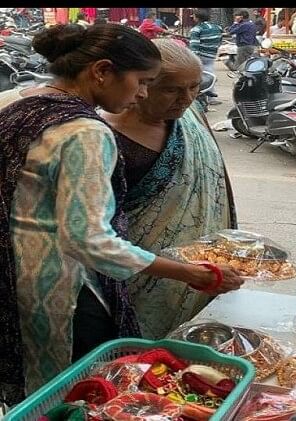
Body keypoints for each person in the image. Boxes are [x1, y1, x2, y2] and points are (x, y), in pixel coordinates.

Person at [0, 23, 242, 405]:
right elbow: (88, 239)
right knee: (79, 397)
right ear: (102, 71)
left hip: (17, 276)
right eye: (142, 81)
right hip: (67, 293)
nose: (142, 93)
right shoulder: (85, 132)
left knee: (36, 395)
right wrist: (189, 273)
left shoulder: (22, 106)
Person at [101, 39, 237, 339]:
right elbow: (97, 233)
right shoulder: (103, 136)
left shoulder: (190, 118)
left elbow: (216, 186)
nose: (187, 98)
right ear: (142, 85)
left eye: (195, 87)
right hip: (134, 273)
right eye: (172, 89)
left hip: (203, 272)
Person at [189, 9, 222, 103]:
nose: (193, 18)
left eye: (194, 16)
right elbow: (219, 41)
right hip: (211, 55)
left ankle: (203, 97)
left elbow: (194, 45)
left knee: (200, 77)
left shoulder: (197, 29)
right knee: (210, 74)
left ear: (197, 18)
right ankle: (211, 98)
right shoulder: (218, 27)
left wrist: (193, 58)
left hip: (201, 56)